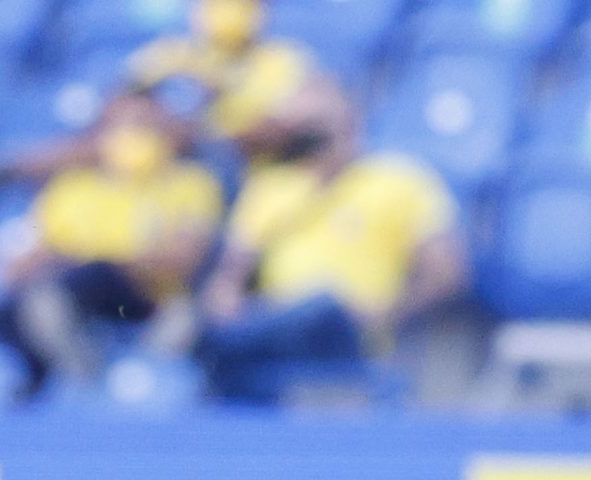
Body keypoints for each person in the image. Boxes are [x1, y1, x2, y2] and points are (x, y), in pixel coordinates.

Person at [195, 79, 469, 404]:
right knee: (279, 316)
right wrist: (225, 300)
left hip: (351, 332)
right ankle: (223, 344)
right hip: (278, 327)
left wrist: (388, 314)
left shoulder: (399, 181)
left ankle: (212, 345)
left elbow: (446, 272)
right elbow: (230, 273)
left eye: (320, 123)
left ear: (349, 121)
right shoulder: (271, 187)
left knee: (324, 305)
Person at [0, 90, 223, 390]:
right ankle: (82, 382)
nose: (132, 135)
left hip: (151, 297)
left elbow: (182, 258)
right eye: (121, 126)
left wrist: (108, 259)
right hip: (83, 296)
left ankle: (143, 385)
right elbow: (18, 267)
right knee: (42, 304)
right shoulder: (69, 188)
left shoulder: (191, 183)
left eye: (144, 125)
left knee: (185, 316)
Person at [126, 0, 316, 157]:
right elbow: (124, 102)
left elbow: (291, 127)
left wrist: (222, 96)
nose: (228, 12)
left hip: (257, 167)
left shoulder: (283, 59)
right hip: (183, 167)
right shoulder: (173, 53)